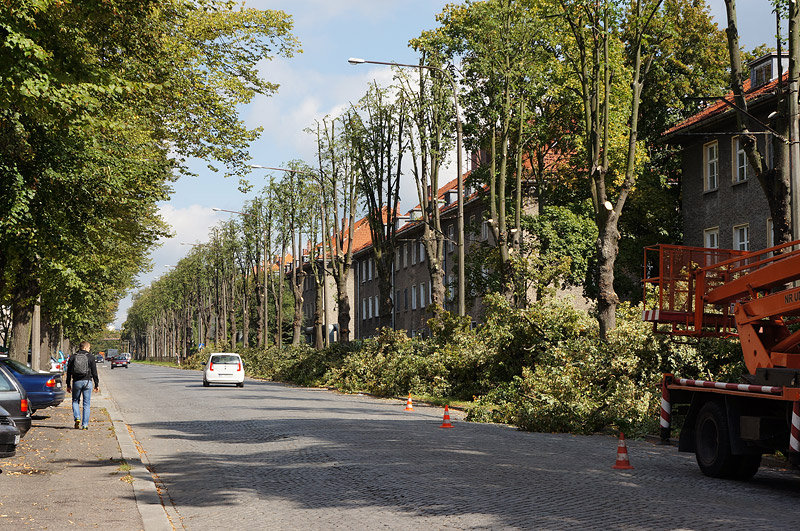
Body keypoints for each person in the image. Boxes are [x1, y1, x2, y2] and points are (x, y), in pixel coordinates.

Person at [66, 341, 99, 430]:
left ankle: (77, 417)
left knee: (75, 401)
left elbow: (68, 372)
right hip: (88, 382)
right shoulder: (90, 357)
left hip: (77, 382)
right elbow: (94, 372)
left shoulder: (73, 357)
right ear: (85, 348)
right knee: (86, 404)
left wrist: (68, 384)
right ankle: (85, 425)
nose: (89, 349)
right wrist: (96, 384)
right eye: (89, 348)